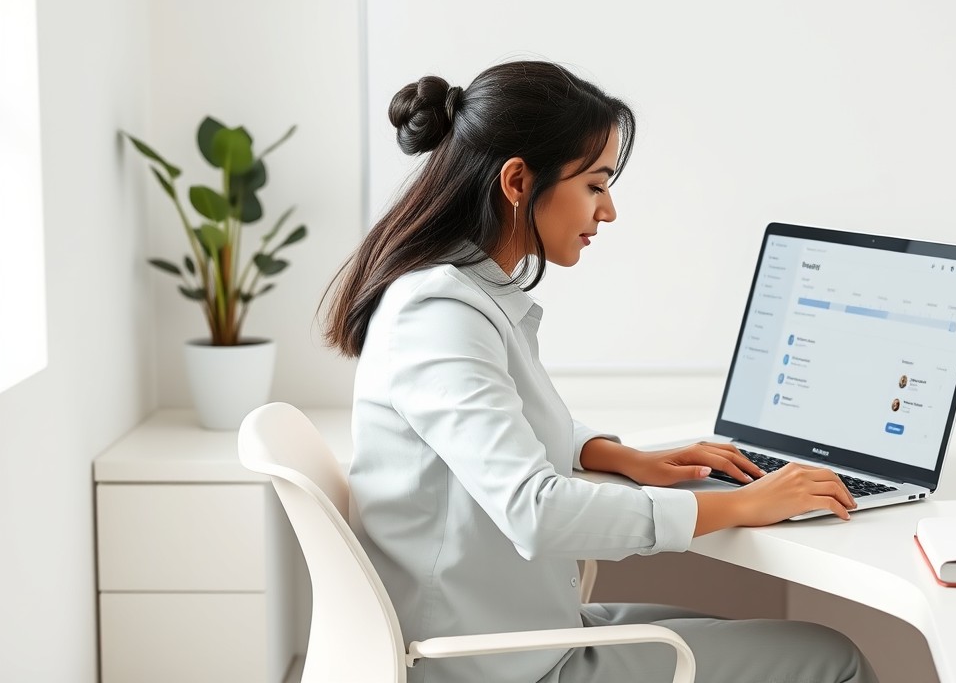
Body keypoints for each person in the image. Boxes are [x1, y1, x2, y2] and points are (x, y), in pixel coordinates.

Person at [322, 61, 877, 683]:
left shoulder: (460, 295)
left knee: (769, 638)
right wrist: (745, 504)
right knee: (833, 660)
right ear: (516, 181)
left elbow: (497, 426)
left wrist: (615, 455)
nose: (607, 211)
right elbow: (535, 509)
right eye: (594, 184)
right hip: (493, 663)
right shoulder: (439, 315)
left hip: (511, 631)